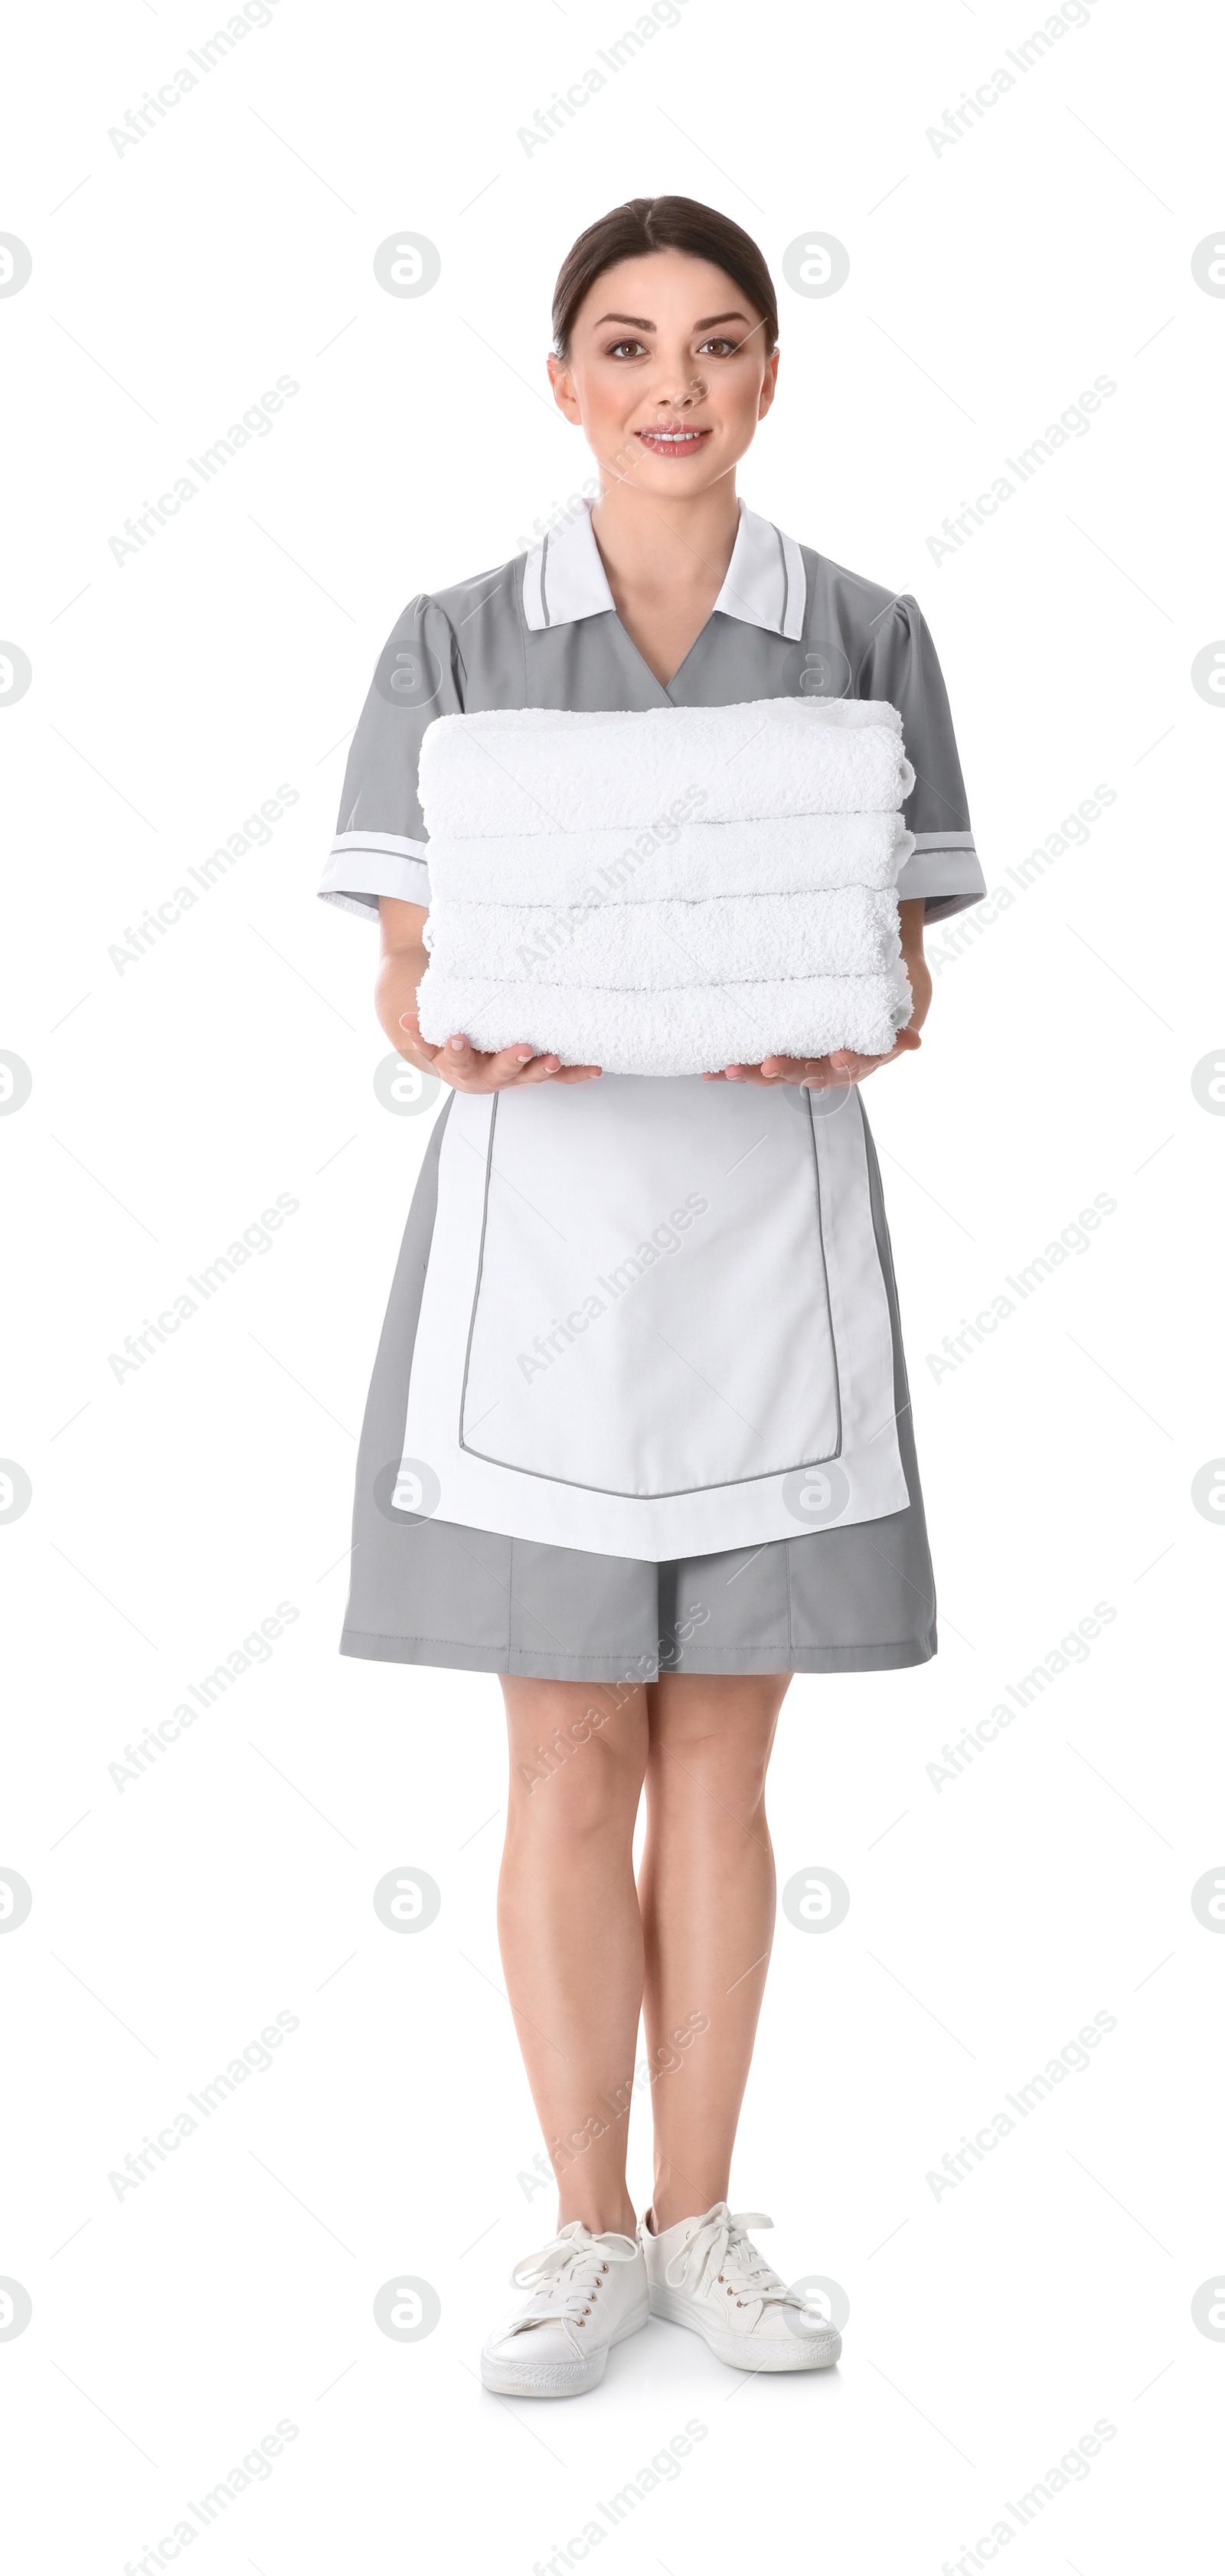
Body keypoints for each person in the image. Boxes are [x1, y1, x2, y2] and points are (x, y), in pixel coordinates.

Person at [318, 194, 984, 2396]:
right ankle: (581, 2231)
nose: (672, 386)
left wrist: (865, 1014)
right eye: (625, 346)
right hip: (538, 1258)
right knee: (561, 1747)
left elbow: (899, 966)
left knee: (723, 1754)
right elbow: (413, 979)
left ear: (771, 373)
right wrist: (451, 1029)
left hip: (766, 1245)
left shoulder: (866, 632)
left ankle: (705, 2223)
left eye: (716, 343)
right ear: (562, 383)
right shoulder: (455, 638)